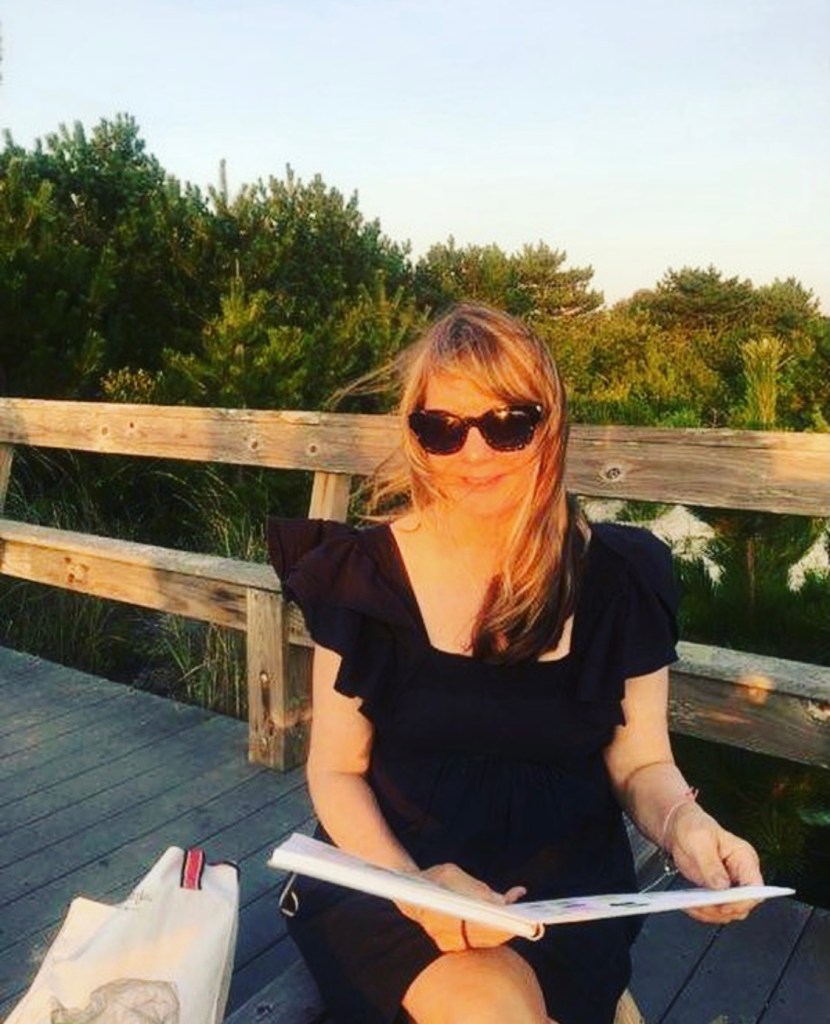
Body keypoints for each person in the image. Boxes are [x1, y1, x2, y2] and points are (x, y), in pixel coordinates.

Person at [267, 303, 763, 1024]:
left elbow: (641, 764)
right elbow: (336, 771)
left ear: (551, 424)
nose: (474, 453)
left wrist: (687, 825)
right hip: (394, 873)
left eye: (508, 423)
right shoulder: (362, 578)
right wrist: (417, 888)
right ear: (414, 435)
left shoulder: (621, 578)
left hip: (566, 892)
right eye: (443, 428)